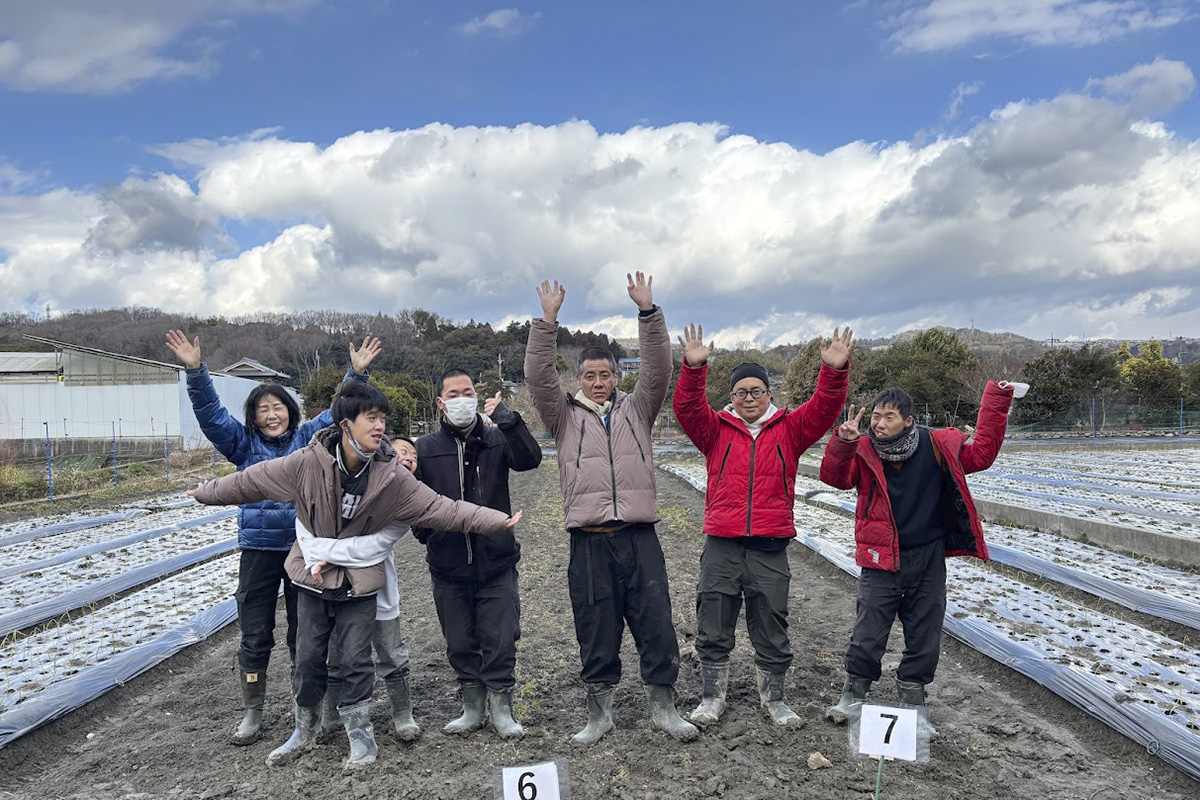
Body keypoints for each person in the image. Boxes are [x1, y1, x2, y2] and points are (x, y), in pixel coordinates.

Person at [190, 382, 521, 769]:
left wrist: (495, 520)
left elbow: (444, 509)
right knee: (310, 655)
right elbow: (252, 480)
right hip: (312, 578)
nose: (380, 426)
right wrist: (207, 491)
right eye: (371, 418)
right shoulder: (306, 462)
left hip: (360, 583)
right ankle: (304, 729)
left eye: (383, 418)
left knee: (355, 658)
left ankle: (360, 734)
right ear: (346, 424)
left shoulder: (393, 476)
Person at [165, 329, 379, 745]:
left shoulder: (307, 440)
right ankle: (252, 712)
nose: (271, 414)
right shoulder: (242, 444)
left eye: (278, 406)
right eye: (262, 409)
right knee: (255, 631)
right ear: (254, 417)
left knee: (307, 634)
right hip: (259, 551)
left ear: (290, 411)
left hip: (303, 551)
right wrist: (196, 372)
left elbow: (339, 412)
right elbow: (211, 414)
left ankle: (310, 709)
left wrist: (356, 375)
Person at [524, 272, 698, 745]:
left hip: (640, 538)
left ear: (616, 377)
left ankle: (665, 706)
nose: (598, 383)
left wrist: (648, 313)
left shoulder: (637, 409)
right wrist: (548, 322)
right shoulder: (562, 416)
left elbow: (660, 368)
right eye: (590, 376)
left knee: (656, 622)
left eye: (605, 375)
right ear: (578, 379)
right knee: (595, 626)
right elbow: (537, 376)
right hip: (590, 543)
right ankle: (599, 714)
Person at [672, 323, 852, 728]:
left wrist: (834, 371)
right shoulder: (715, 430)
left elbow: (824, 407)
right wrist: (693, 368)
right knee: (713, 617)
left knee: (771, 619)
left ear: (769, 393)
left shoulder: (789, 429)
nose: (748, 398)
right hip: (722, 542)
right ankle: (710, 697)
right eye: (740, 392)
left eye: (756, 390)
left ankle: (775, 698)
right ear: (731, 397)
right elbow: (686, 408)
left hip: (770, 545)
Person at [819, 382, 1016, 734]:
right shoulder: (864, 448)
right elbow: (835, 478)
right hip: (880, 558)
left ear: (909, 421)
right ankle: (853, 694)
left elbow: (983, 454)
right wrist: (843, 442)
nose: (878, 423)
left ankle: (912, 700)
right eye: (876, 416)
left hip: (928, 556)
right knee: (868, 632)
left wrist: (997, 398)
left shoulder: (937, 446)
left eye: (888, 417)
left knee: (925, 634)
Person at [412, 370, 542, 739]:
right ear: (441, 402)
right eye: (453, 394)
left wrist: (507, 419)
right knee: (460, 640)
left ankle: (502, 707)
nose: (461, 399)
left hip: (496, 561)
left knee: (500, 637)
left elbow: (530, 459)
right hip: (448, 565)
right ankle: (472, 707)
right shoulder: (426, 448)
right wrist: (428, 534)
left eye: (467, 392)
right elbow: (411, 499)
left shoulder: (497, 439)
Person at [295, 436, 421, 744]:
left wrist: (326, 551)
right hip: (337, 589)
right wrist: (322, 550)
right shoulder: (348, 486)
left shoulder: (404, 500)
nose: (408, 458)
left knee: (391, 652)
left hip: (378, 589)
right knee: (338, 656)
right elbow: (306, 519)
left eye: (414, 457)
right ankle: (331, 715)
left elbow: (375, 547)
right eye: (402, 451)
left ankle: (402, 714)